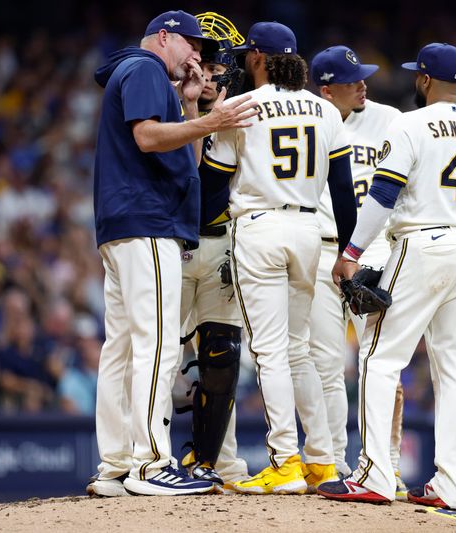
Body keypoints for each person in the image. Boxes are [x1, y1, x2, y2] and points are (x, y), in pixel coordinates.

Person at [318, 43, 456, 510]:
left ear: (423, 80)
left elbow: (383, 192)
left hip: (423, 241)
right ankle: (450, 485)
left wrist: (352, 251)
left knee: (379, 359)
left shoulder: (411, 122)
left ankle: (375, 473)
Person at [86, 9, 257, 498]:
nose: (198, 57)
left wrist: (194, 113)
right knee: (156, 343)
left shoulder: (149, 77)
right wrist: (216, 119)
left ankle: (115, 464)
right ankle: (150, 462)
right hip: (147, 224)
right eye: (192, 46)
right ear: (164, 37)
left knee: (119, 348)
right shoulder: (143, 67)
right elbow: (146, 137)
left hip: (124, 225)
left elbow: (188, 160)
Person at [200, 21, 357, 495]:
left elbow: (210, 189)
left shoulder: (239, 107)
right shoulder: (324, 109)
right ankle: (323, 462)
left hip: (260, 227)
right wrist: (348, 251)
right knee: (299, 349)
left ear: (256, 59)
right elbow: (344, 193)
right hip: (309, 228)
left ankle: (285, 461)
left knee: (269, 352)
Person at [308, 44, 407, 495]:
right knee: (326, 364)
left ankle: (386, 465)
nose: (363, 83)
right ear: (326, 90)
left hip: (372, 255)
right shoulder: (309, 119)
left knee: (380, 364)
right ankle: (331, 463)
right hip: (321, 252)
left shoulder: (390, 119)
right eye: (353, 80)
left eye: (363, 75)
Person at [175, 11, 250, 492]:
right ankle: (145, 457)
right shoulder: (165, 103)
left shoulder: (245, 114)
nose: (206, 76)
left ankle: (219, 463)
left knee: (222, 358)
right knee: (161, 358)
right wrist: (197, 119)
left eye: (216, 67)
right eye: (199, 63)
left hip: (222, 244)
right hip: (174, 247)